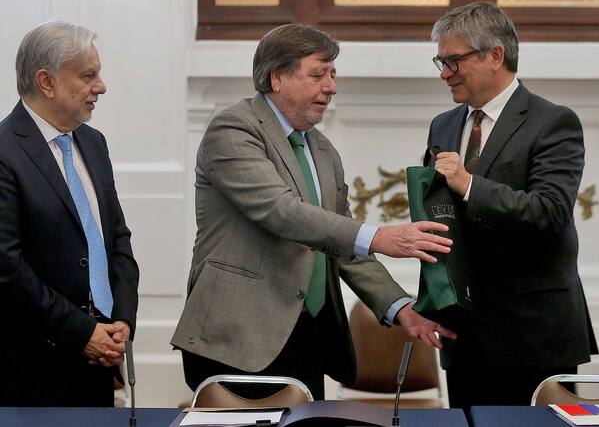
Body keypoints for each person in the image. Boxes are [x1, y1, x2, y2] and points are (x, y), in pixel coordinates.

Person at [171, 24, 455, 400]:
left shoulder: (322, 149)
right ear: (277, 78)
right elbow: (280, 211)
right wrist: (380, 237)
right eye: (318, 75)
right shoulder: (234, 130)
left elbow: (342, 242)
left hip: (309, 336)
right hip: (239, 337)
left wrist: (400, 305)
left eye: (333, 75)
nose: (331, 87)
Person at [425, 1, 597, 410]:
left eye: (454, 60)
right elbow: (440, 220)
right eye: (441, 61)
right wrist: (434, 301)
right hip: (464, 336)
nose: (445, 73)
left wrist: (469, 185)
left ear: (495, 55)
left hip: (533, 337)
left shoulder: (553, 121)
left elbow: (550, 212)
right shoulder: (443, 125)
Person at [0, 21, 139, 406]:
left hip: (98, 361)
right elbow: (7, 267)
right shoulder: (5, 151)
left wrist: (122, 320)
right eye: (88, 76)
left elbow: (116, 238)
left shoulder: (93, 143)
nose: (101, 87)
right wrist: (81, 332)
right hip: (30, 372)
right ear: (46, 82)